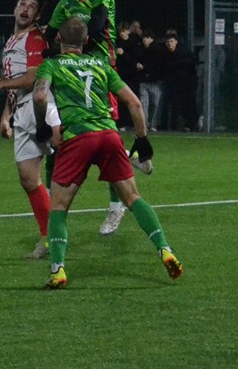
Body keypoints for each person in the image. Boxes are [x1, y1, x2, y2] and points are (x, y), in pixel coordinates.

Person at [30, 17, 181, 289]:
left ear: (58, 39)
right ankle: (165, 249)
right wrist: (143, 140)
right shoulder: (101, 64)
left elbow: (40, 97)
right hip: (109, 135)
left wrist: (43, 126)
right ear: (86, 41)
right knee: (133, 198)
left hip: (78, 138)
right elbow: (134, 103)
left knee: (59, 207)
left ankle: (58, 269)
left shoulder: (51, 65)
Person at [0, 0, 56, 258]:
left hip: (40, 106)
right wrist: (6, 114)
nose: (25, 9)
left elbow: (33, 77)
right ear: (14, 8)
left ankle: (124, 156)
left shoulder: (35, 38)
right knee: (28, 178)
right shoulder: (11, 40)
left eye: (32, 7)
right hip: (22, 111)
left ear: (37, 16)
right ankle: (48, 238)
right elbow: (14, 79)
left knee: (79, 150)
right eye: (22, 4)